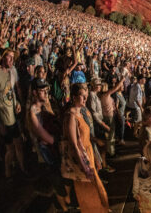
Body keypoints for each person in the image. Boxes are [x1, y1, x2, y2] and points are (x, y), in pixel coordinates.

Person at [62, 83, 109, 212]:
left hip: (89, 155)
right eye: (82, 96)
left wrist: (95, 156)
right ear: (74, 97)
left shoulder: (82, 112)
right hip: (81, 161)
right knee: (89, 194)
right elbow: (74, 145)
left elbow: (87, 138)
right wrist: (84, 167)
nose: (85, 99)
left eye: (86, 96)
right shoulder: (71, 116)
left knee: (96, 190)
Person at [28, 77, 71, 211]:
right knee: (57, 177)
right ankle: (63, 207)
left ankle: (66, 200)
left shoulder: (46, 104)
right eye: (42, 91)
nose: (46, 93)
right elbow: (41, 134)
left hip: (55, 144)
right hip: (47, 149)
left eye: (46, 90)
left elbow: (54, 120)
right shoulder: (32, 111)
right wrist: (59, 141)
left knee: (64, 175)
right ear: (35, 92)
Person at [0, 48, 26, 178]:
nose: (11, 60)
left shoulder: (11, 73)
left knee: (19, 144)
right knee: (10, 149)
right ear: (2, 58)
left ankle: (22, 170)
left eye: (13, 57)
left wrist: (17, 103)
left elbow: (12, 91)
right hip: (4, 118)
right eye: (8, 57)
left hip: (12, 115)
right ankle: (8, 173)